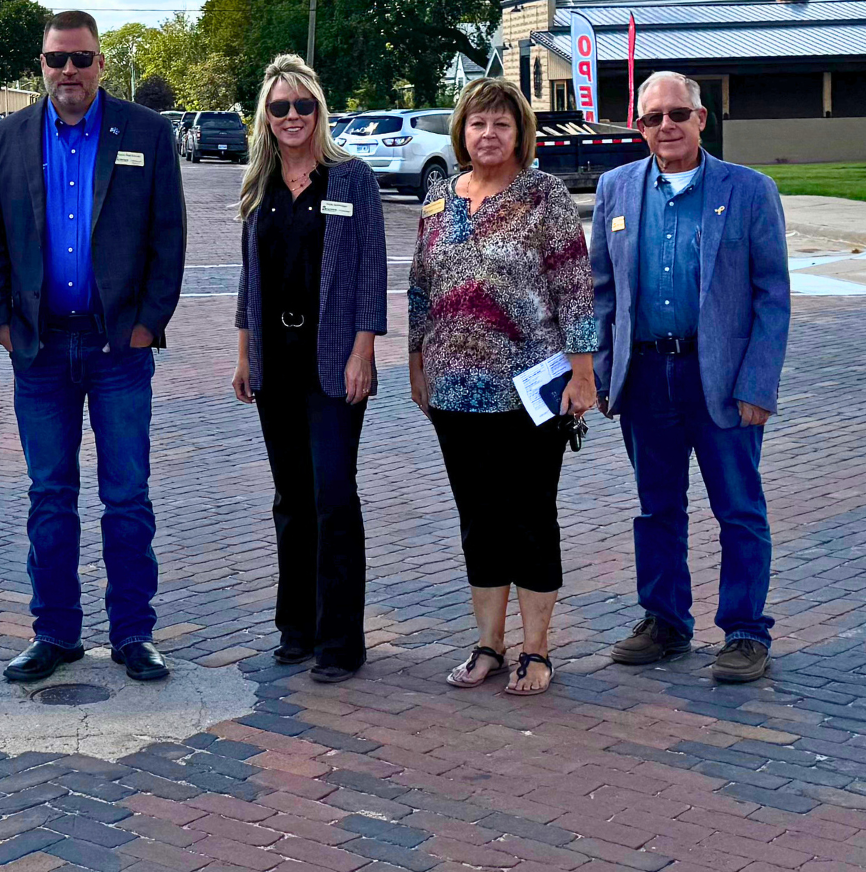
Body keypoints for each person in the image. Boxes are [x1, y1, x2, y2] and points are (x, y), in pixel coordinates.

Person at [0, 9, 187, 684]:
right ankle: (55, 633)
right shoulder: (6, 139)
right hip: (39, 352)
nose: (68, 71)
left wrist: (147, 324)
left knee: (127, 497)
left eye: (81, 58)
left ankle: (133, 634)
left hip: (117, 349)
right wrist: (5, 326)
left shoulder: (146, 134)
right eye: (56, 59)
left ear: (101, 62)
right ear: (41, 64)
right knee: (49, 496)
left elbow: (168, 236)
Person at [592, 70, 790, 684]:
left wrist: (758, 384)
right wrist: (603, 372)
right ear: (639, 126)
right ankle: (665, 620)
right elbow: (603, 291)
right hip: (648, 377)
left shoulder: (750, 190)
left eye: (678, 114)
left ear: (701, 118)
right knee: (657, 509)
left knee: (738, 509)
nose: (666, 126)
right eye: (653, 118)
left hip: (722, 380)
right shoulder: (615, 190)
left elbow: (772, 295)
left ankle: (744, 630)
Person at [408, 76, 596, 697]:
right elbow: (419, 287)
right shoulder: (439, 198)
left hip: (532, 391)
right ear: (462, 130)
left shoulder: (544, 196)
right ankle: (488, 644)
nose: (488, 135)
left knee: (530, 517)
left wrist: (584, 372)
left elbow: (574, 288)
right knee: (478, 518)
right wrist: (416, 361)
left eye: (502, 125)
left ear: (521, 134)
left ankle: (537, 652)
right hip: (456, 393)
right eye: (478, 123)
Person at [231, 55, 386, 684]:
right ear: (265, 119)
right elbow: (249, 281)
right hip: (277, 362)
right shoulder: (259, 186)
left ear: (319, 112)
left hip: (332, 363)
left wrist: (363, 352)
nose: (292, 117)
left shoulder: (351, 180)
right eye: (279, 108)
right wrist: (244, 354)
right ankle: (295, 626)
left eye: (303, 106)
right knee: (291, 499)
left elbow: (371, 276)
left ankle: (341, 639)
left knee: (332, 497)